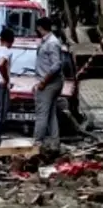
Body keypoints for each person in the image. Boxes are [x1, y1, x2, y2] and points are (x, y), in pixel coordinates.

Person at [34, 16, 63, 150]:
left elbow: (56, 65)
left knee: (42, 114)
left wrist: (44, 82)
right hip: (51, 82)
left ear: (40, 28)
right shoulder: (48, 42)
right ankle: (54, 142)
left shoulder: (51, 43)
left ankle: (38, 143)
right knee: (51, 113)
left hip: (49, 83)